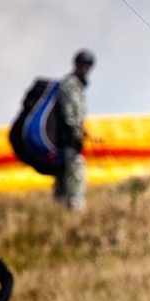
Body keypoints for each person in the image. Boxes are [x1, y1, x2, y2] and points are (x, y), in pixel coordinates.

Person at [54, 49, 95, 211]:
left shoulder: (75, 86)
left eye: (88, 66)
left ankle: (60, 212)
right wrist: (76, 133)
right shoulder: (71, 85)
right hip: (67, 140)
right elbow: (70, 113)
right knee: (75, 175)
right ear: (77, 65)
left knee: (64, 177)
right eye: (83, 65)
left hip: (67, 140)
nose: (85, 69)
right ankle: (75, 210)